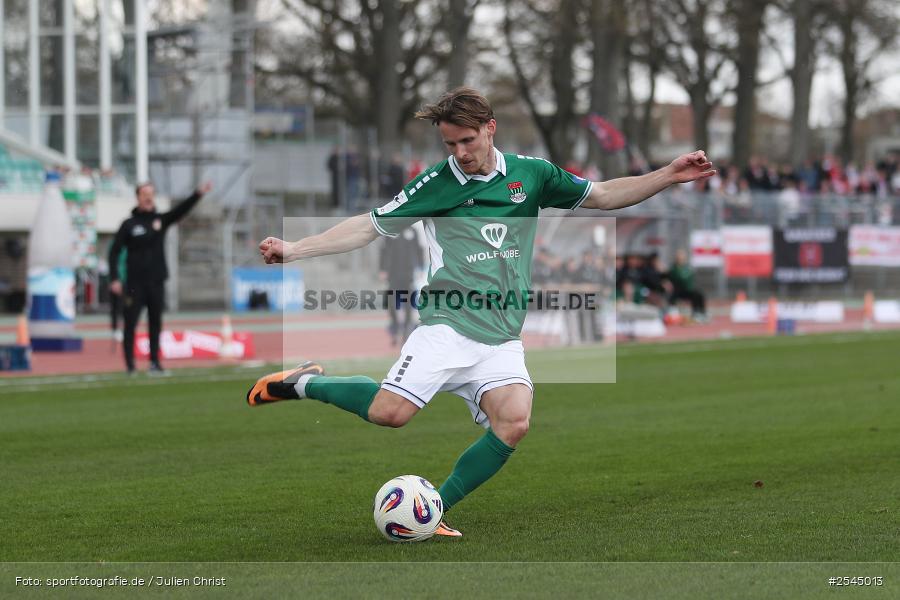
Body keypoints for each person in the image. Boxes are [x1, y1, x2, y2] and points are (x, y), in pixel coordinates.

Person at [246, 87, 714, 536]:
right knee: (390, 414)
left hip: (502, 334)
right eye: (450, 143)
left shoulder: (531, 175)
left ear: (491, 129)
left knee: (514, 422)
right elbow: (367, 228)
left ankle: (433, 511)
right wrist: (296, 249)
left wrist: (668, 174)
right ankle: (303, 381)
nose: (460, 152)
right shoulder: (437, 182)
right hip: (448, 324)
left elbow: (605, 195)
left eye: (468, 140)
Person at [108, 180, 212, 374]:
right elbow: (114, 252)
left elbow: (180, 211)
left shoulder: (160, 220)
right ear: (138, 197)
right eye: (144, 193)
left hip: (156, 282)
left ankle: (155, 362)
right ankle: (130, 365)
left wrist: (198, 194)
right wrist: (114, 278)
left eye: (151, 193)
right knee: (130, 323)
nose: (148, 197)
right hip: (134, 284)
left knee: (155, 323)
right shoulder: (128, 224)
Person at [667, 249, 707, 321]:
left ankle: (700, 312)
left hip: (688, 290)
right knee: (695, 293)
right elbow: (679, 278)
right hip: (678, 291)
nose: (681, 259)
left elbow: (691, 278)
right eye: (680, 258)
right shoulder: (674, 268)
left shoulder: (686, 267)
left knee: (698, 294)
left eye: (683, 258)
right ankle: (696, 313)